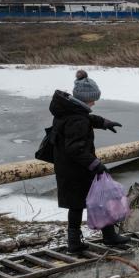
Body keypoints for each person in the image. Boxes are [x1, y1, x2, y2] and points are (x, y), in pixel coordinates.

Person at [50, 70, 130, 252]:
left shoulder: (68, 110)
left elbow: (85, 119)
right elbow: (75, 148)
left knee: (78, 204)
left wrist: (104, 122)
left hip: (67, 167)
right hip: (77, 169)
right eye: (93, 100)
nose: (94, 103)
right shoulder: (76, 118)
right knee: (98, 200)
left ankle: (78, 241)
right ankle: (102, 237)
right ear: (85, 99)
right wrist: (96, 165)